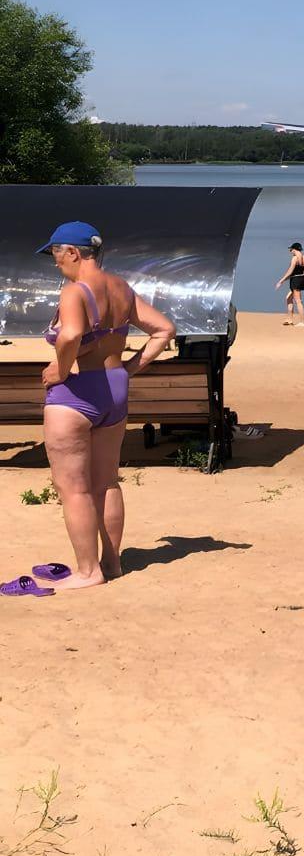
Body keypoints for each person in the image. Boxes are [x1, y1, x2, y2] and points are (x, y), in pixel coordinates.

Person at [6, 222, 175, 597]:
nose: (55, 264)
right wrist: (129, 368)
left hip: (77, 392)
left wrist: (61, 369)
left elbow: (70, 335)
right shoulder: (122, 289)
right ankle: (111, 564)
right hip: (115, 388)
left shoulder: (74, 291)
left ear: (73, 253)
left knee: (74, 489)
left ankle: (87, 571)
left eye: (55, 255)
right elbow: (164, 330)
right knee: (107, 481)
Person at [275, 241, 304, 326]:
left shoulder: (295, 258)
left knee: (298, 301)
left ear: (295, 249)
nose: (290, 251)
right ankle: (289, 319)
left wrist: (281, 281)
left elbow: (290, 271)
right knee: (288, 298)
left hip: (296, 280)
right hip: (301, 279)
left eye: (291, 250)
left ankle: (302, 322)